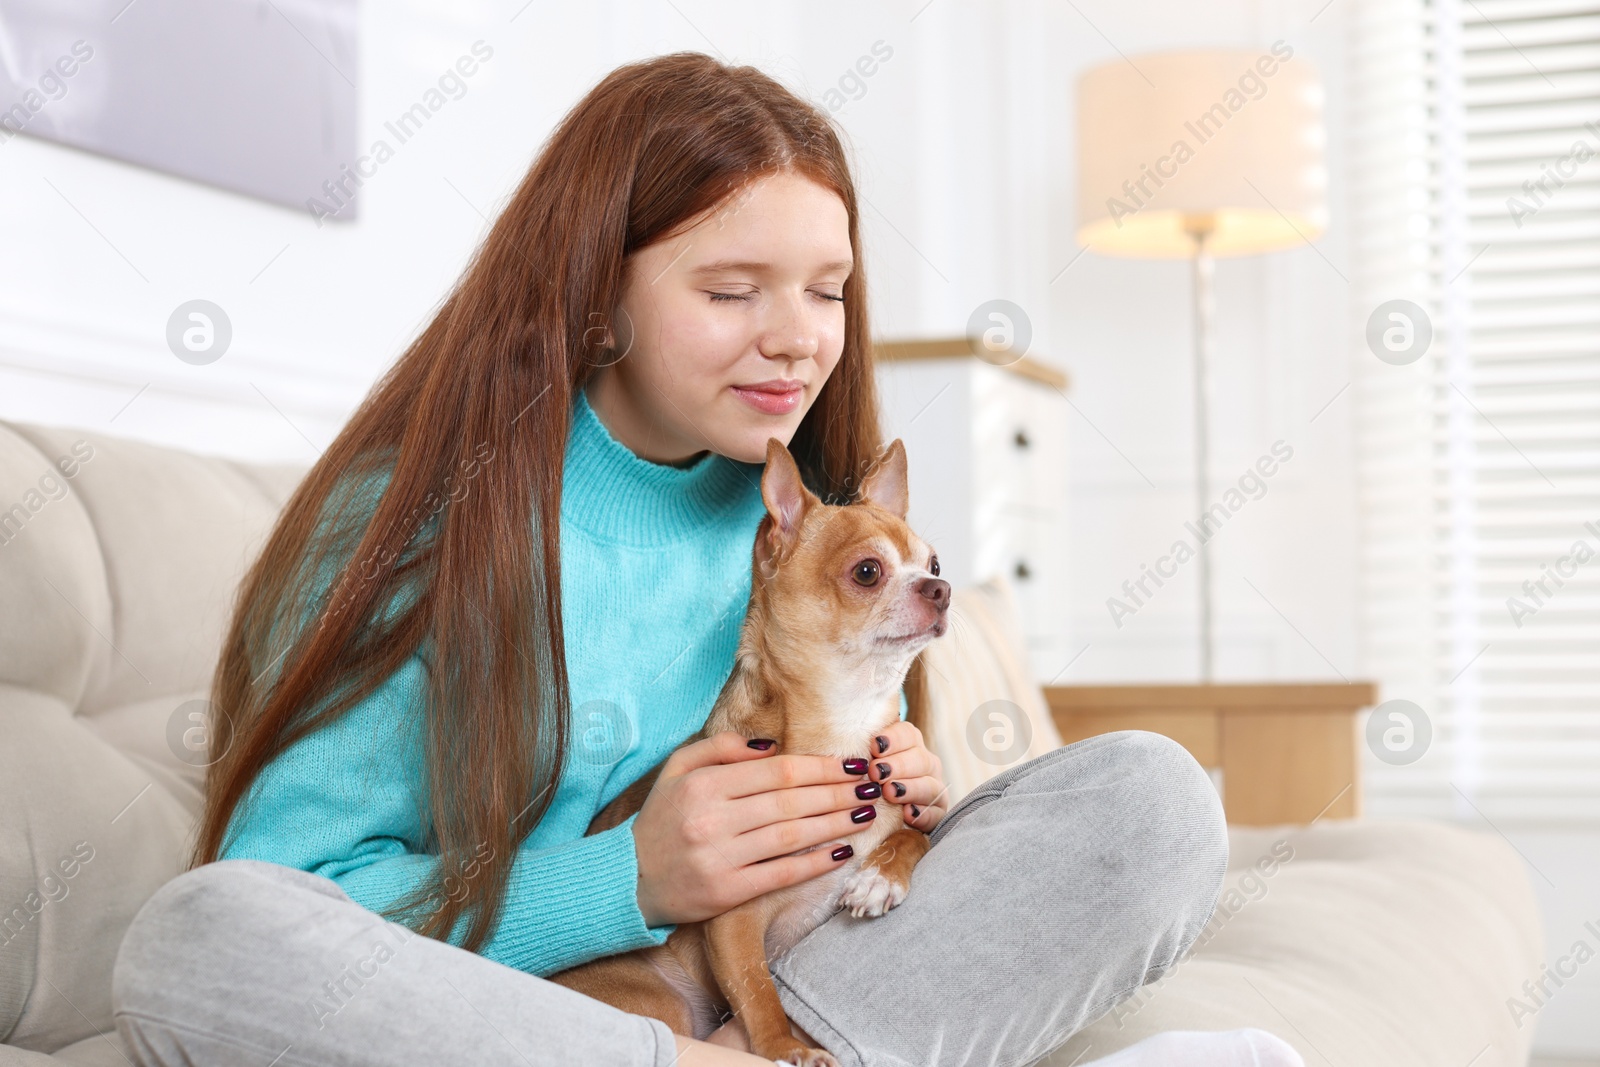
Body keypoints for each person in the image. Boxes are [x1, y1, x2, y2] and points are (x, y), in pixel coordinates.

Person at [109, 51, 1257, 1067]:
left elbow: (869, 875)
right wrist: (630, 878)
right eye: (729, 289)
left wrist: (894, 811)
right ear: (594, 296)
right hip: (523, 1020)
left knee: (1149, 800)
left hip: (787, 987)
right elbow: (287, 904)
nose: (798, 336)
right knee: (194, 940)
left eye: (826, 290)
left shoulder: (815, 531)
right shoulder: (413, 523)